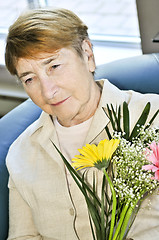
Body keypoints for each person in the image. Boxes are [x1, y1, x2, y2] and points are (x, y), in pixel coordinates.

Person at [5, 8, 159, 240]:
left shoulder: (153, 117)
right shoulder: (20, 154)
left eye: (54, 66)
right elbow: (22, 236)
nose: (48, 91)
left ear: (87, 55)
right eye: (29, 79)